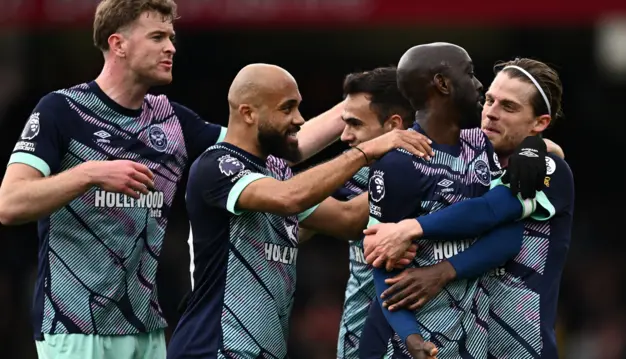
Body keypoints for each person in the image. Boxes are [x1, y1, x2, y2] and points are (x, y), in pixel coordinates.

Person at [0, 1, 353, 358]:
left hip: (146, 327)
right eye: (157, 36)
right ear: (118, 43)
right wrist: (89, 174)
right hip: (74, 324)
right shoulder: (61, 110)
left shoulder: (172, 121)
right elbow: (10, 203)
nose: (170, 46)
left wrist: (355, 108)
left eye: (170, 36)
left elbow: (276, 145)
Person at [166, 63, 432, 359]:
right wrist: (367, 151)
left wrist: (420, 171)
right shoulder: (217, 164)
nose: (299, 119)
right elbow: (290, 197)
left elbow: (347, 219)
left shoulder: (275, 170)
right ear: (249, 113)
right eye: (287, 108)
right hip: (213, 348)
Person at [363, 58, 573, 359]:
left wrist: (411, 232)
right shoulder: (469, 156)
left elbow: (493, 212)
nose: (491, 114)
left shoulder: (551, 169)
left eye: (509, 107)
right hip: (462, 344)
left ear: (539, 122)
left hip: (522, 345)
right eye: (489, 100)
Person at [327, 67, 419, 359]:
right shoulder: (350, 176)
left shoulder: (455, 169)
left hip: (428, 337)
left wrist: (533, 146)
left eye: (354, 123)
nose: (344, 136)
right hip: (356, 344)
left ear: (394, 125)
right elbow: (295, 222)